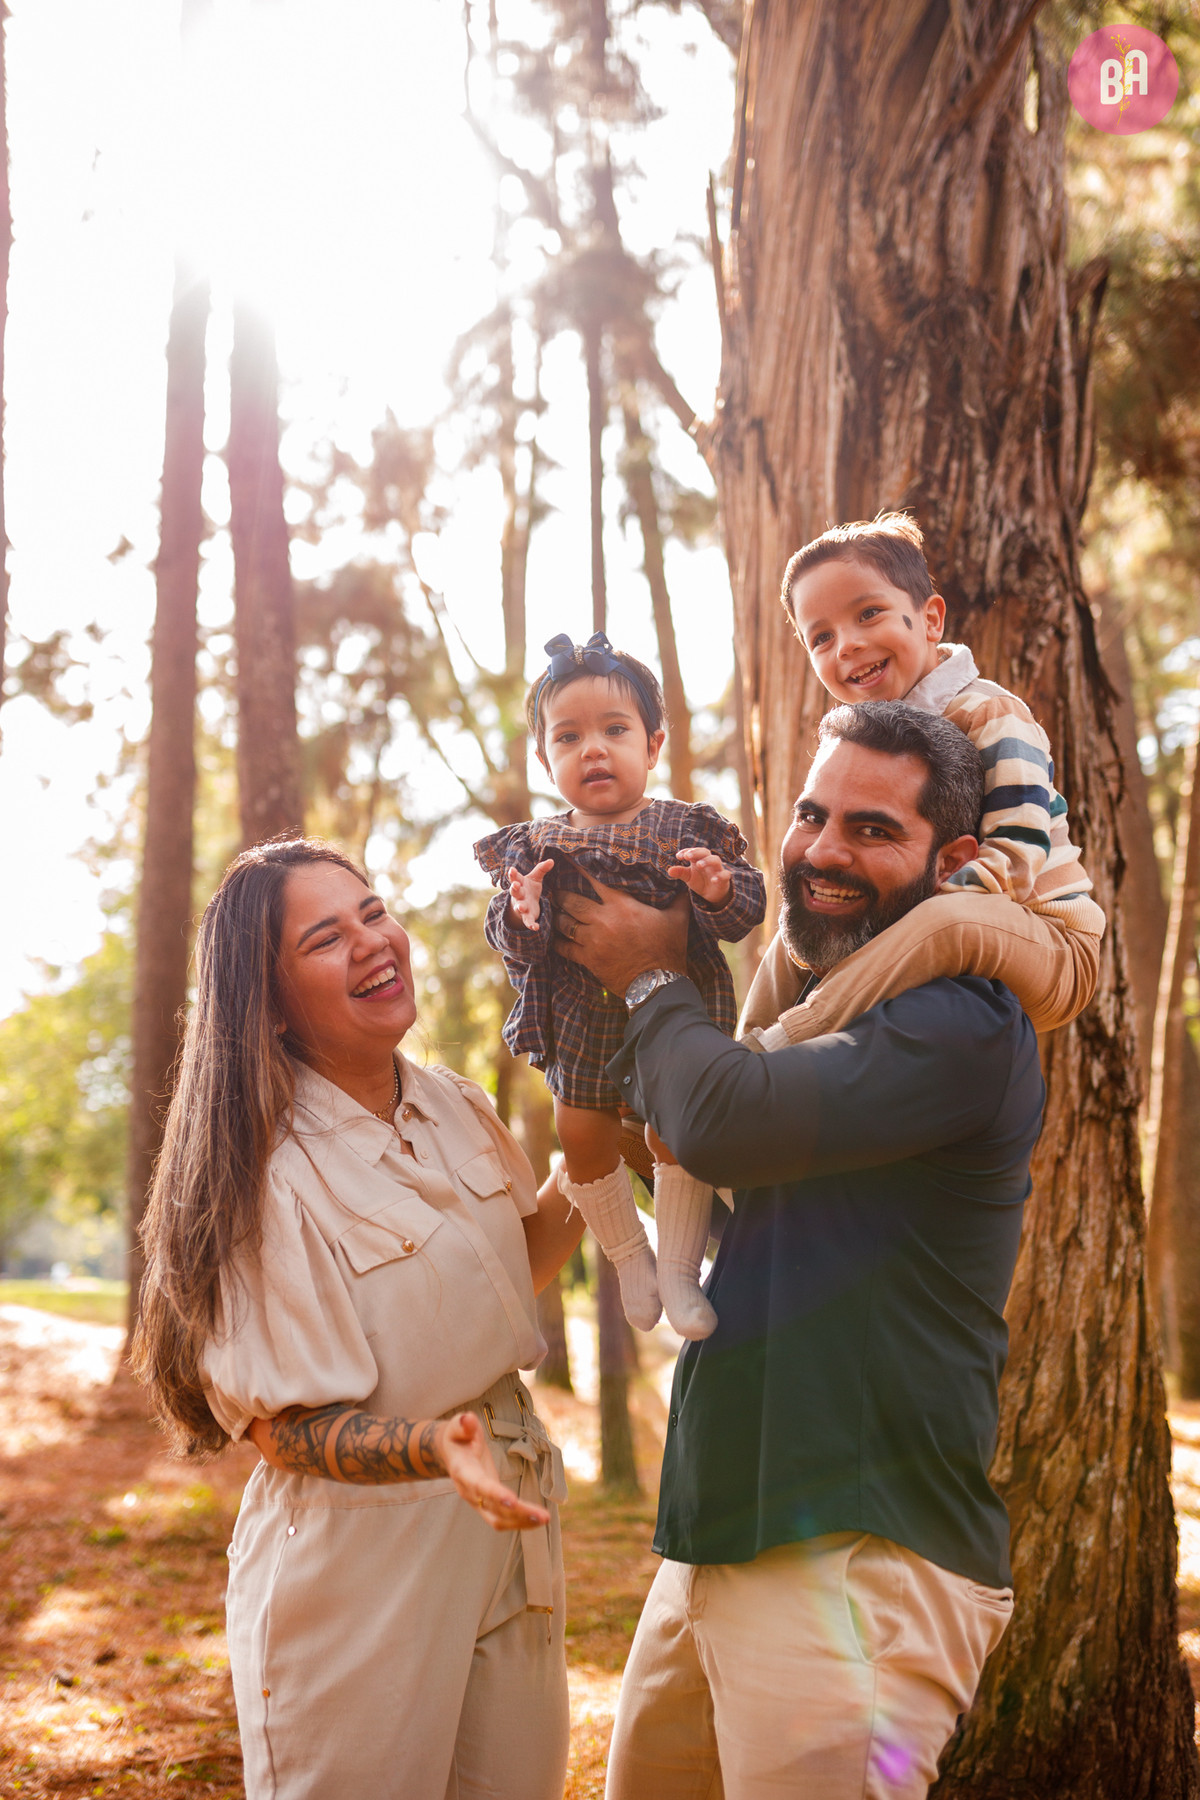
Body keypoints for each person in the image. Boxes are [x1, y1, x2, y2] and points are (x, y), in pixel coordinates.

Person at [554, 702, 1046, 1799]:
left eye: (873, 830)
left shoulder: (963, 1024)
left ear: (952, 859)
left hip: (858, 1561)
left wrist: (650, 977)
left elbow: (724, 1118)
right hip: (723, 1535)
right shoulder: (824, 1012)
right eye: (813, 814)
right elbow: (713, 1160)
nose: (823, 851)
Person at [132, 837, 586, 1800]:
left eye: (374, 913)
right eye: (326, 939)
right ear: (273, 1003)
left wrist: (598, 1148)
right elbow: (282, 1429)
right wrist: (435, 1448)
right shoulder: (264, 1172)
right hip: (363, 1560)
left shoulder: (454, 1105)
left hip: (507, 1524)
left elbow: (510, 1273)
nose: (373, 944)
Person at [475, 631, 765, 1341]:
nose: (593, 749)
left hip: (675, 1020)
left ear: (654, 744)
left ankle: (676, 1267)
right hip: (582, 1027)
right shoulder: (534, 848)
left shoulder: (686, 829)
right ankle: (630, 1258)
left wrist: (718, 888)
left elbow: (745, 914)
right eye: (569, 737)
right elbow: (508, 938)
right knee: (580, 1136)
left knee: (675, 1134)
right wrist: (522, 913)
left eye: (615, 730)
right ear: (545, 759)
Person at [739, 513, 1105, 1052]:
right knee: (800, 917)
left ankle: (773, 1051)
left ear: (931, 619)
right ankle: (733, 1056)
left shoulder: (990, 711)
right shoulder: (869, 743)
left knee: (947, 921)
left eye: (868, 613)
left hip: (1046, 939)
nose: (847, 645)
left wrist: (913, 913)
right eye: (822, 637)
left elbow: (1021, 848)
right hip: (946, 926)